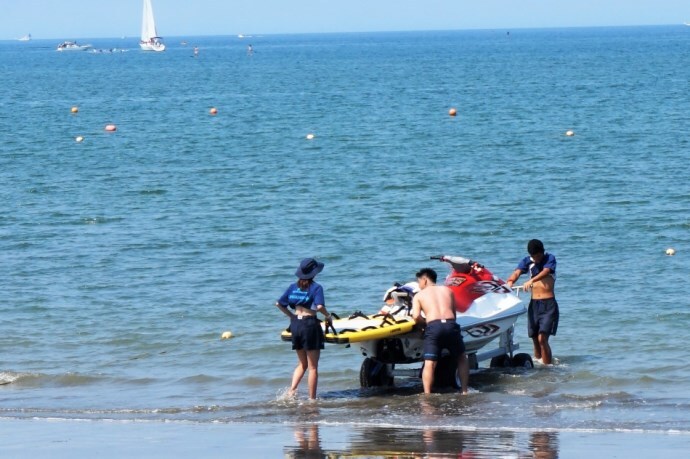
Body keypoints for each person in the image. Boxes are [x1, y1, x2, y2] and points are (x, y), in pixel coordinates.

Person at [276, 258, 333, 399]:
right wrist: (328, 316)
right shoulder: (316, 287)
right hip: (309, 325)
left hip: (296, 325)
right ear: (314, 273)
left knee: (302, 363)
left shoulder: (292, 287)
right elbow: (319, 307)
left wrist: (291, 316)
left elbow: (279, 303)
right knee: (313, 367)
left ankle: (291, 391)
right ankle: (312, 399)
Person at [411, 268, 469, 394]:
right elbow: (454, 314)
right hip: (450, 325)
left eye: (419, 281)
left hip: (434, 327)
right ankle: (464, 391)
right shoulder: (448, 290)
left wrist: (425, 324)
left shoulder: (419, 295)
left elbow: (415, 316)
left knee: (430, 363)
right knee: (462, 358)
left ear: (425, 280)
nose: (419, 285)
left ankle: (427, 394)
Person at [506, 239, 559, 365]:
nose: (537, 259)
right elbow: (517, 272)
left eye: (539, 256)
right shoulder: (527, 261)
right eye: (534, 256)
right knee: (535, 338)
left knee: (542, 338)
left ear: (543, 252)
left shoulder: (550, 259)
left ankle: (548, 368)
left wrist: (531, 281)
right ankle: (538, 366)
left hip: (548, 304)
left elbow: (546, 272)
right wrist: (510, 281)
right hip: (534, 305)